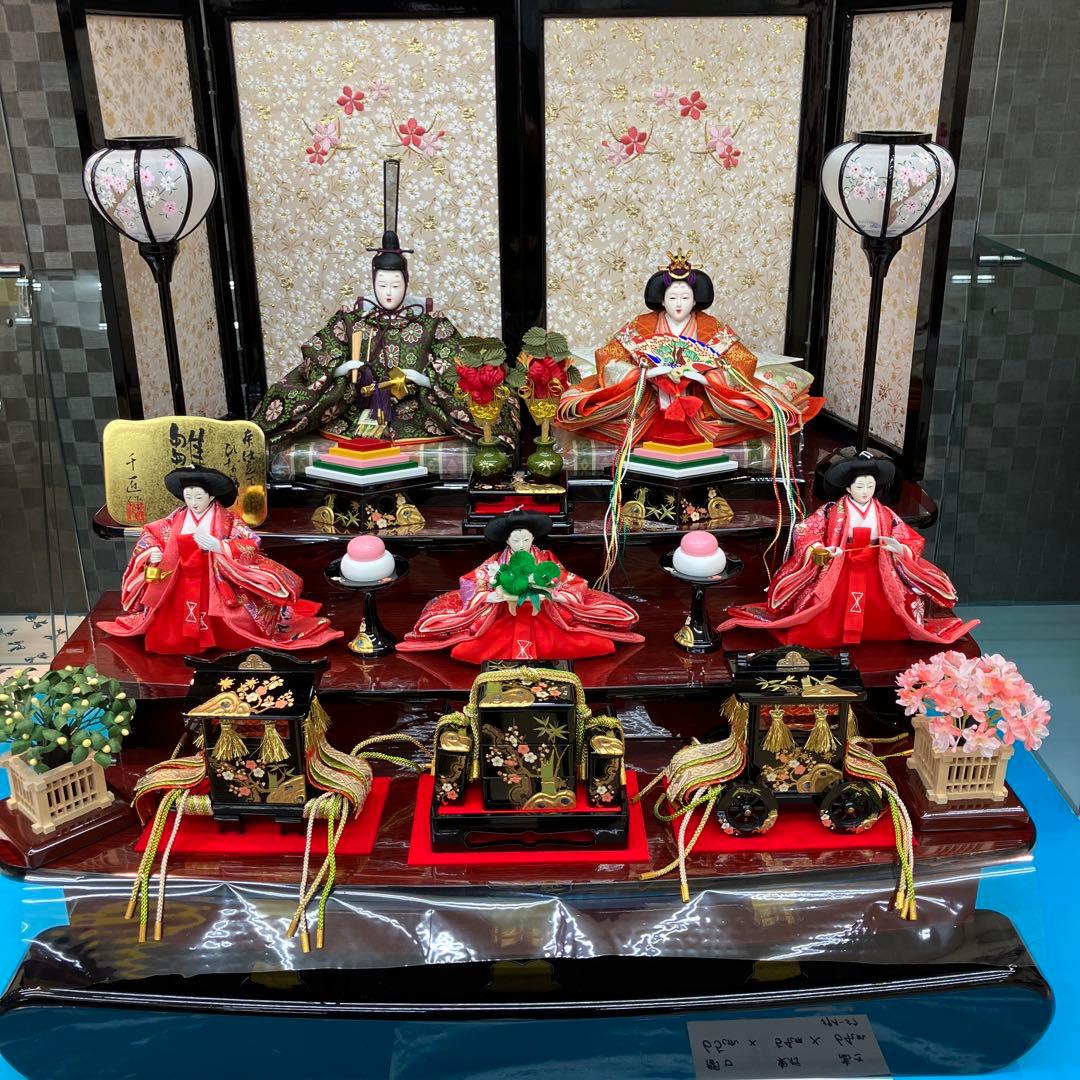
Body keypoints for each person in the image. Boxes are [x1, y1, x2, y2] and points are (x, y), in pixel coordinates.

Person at [555, 250, 823, 448]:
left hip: (701, 399)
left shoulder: (711, 326)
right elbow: (609, 355)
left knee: (767, 411)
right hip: (649, 398)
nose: (678, 303)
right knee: (588, 409)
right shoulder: (642, 324)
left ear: (696, 301)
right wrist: (645, 374)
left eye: (685, 297)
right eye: (672, 297)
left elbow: (743, 359)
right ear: (662, 300)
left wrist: (707, 377)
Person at [718, 450, 977, 647]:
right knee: (824, 612)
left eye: (870, 486)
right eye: (860, 486)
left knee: (888, 612)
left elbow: (910, 539)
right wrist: (821, 549)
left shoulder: (884, 514)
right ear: (848, 487)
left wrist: (898, 547)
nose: (865, 492)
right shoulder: (831, 511)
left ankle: (878, 633)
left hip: (877, 567)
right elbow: (806, 531)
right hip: (840, 566)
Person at [98, 466, 342, 654]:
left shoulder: (228, 520)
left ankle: (219, 638)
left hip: (215, 576)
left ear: (212, 496)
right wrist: (153, 552)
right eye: (188, 497)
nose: (193, 503)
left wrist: (221, 546)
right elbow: (151, 534)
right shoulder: (175, 519)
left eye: (198, 497)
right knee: (170, 623)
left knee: (232, 619)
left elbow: (250, 542)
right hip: (178, 577)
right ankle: (181, 641)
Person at [396, 510, 644, 663]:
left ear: (534, 538)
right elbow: (471, 581)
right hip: (504, 614)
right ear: (507, 540)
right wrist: (490, 596)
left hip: (545, 613)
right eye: (516, 540)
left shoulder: (545, 558)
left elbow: (569, 580)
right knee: (465, 651)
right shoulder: (497, 561)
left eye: (526, 539)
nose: (522, 544)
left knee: (597, 644)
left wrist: (557, 594)